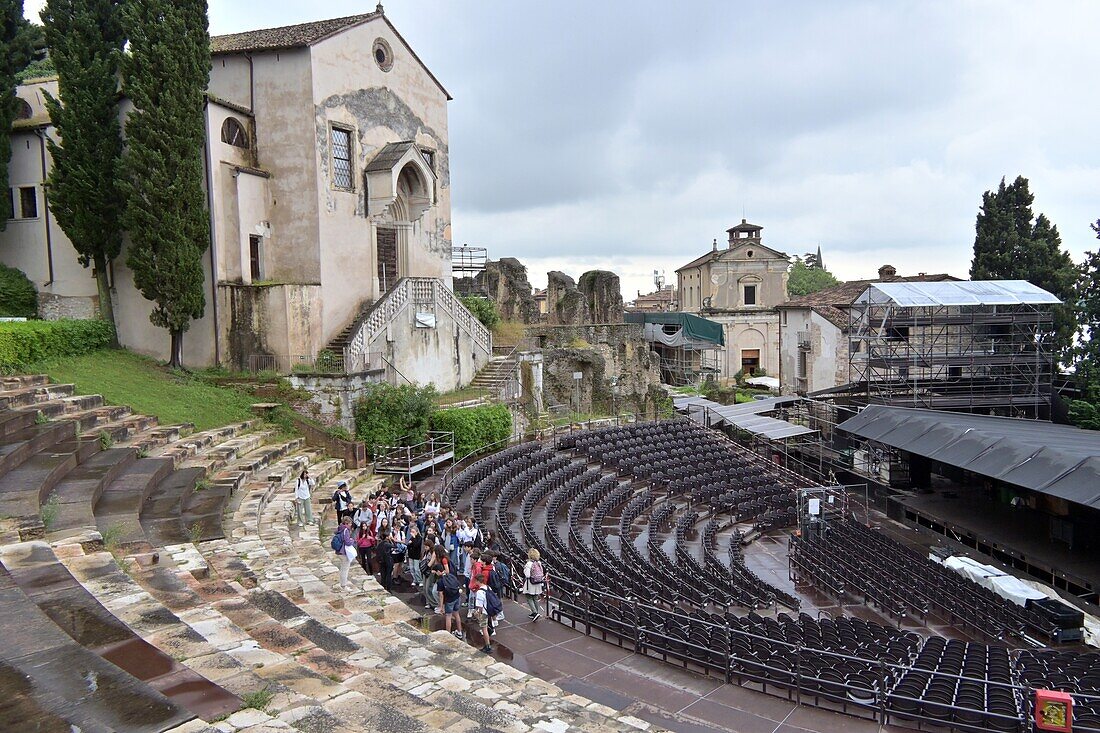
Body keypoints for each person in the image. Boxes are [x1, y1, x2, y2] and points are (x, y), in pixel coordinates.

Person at [435, 563, 464, 638]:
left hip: (449, 600)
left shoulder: (440, 581)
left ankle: (448, 635)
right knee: (457, 614)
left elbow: (441, 595)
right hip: (457, 597)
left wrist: (441, 607)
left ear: (438, 571)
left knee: (448, 616)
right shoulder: (451, 575)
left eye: (435, 572)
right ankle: (459, 631)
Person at [522, 548, 546, 620]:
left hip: (530, 583)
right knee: (535, 598)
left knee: (529, 597)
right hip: (538, 583)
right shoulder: (539, 563)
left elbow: (527, 575)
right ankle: (535, 612)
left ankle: (535, 613)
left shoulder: (529, 564)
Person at [334, 516, 355, 590]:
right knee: (345, 569)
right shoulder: (346, 530)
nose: (351, 525)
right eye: (350, 523)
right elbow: (347, 542)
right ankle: (344, 585)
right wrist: (352, 540)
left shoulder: (340, 528)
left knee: (342, 568)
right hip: (343, 551)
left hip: (339, 551)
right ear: (347, 523)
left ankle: (342, 583)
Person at [471, 583, 493, 654]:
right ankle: (490, 632)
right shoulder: (488, 587)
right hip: (489, 610)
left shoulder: (479, 592)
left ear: (477, 581)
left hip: (483, 612)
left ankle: (488, 646)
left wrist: (478, 614)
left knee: (484, 629)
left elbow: (480, 606)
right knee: (487, 626)